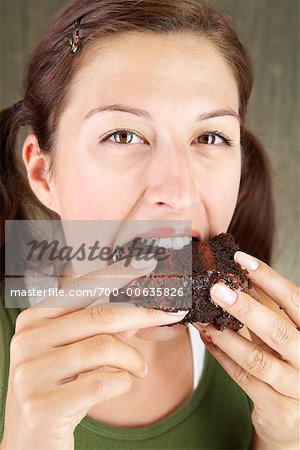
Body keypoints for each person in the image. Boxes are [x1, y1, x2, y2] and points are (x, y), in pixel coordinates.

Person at [0, 0, 299, 449]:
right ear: (44, 173)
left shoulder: (280, 360)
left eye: (210, 137)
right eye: (122, 136)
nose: (177, 190)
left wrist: (283, 441)